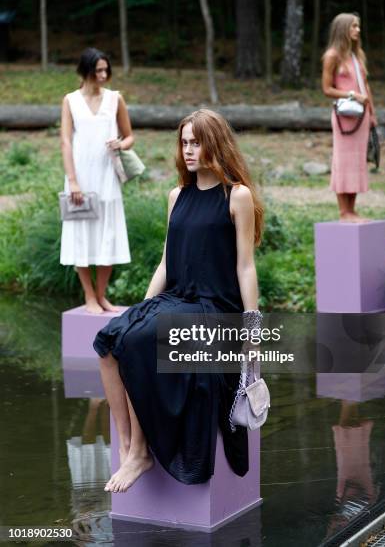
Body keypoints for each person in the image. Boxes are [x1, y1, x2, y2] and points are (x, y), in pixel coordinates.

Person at [93, 108, 264, 493]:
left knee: (138, 342)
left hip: (215, 310)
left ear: (215, 144)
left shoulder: (237, 196)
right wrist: (141, 309)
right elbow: (167, 262)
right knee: (109, 341)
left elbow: (246, 267)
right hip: (178, 299)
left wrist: (252, 331)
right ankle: (127, 445)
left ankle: (141, 451)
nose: (188, 149)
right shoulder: (177, 196)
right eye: (184, 142)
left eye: (196, 141)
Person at [60, 47, 133, 314]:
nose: (103, 75)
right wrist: (73, 181)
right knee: (81, 236)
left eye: (106, 70)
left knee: (108, 235)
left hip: (107, 176)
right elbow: (66, 142)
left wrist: (121, 144)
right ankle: (89, 296)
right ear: (86, 71)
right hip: (80, 177)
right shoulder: (70, 100)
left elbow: (130, 136)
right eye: (98, 70)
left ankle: (102, 296)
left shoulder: (116, 99)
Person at [322, 13, 377, 222]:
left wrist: (372, 113)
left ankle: (352, 210)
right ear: (343, 28)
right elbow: (327, 89)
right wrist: (352, 94)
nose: (358, 30)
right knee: (343, 161)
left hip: (362, 117)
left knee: (356, 162)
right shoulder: (332, 56)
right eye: (354, 26)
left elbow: (366, 85)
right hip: (344, 117)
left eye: (358, 26)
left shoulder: (357, 56)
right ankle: (343, 211)